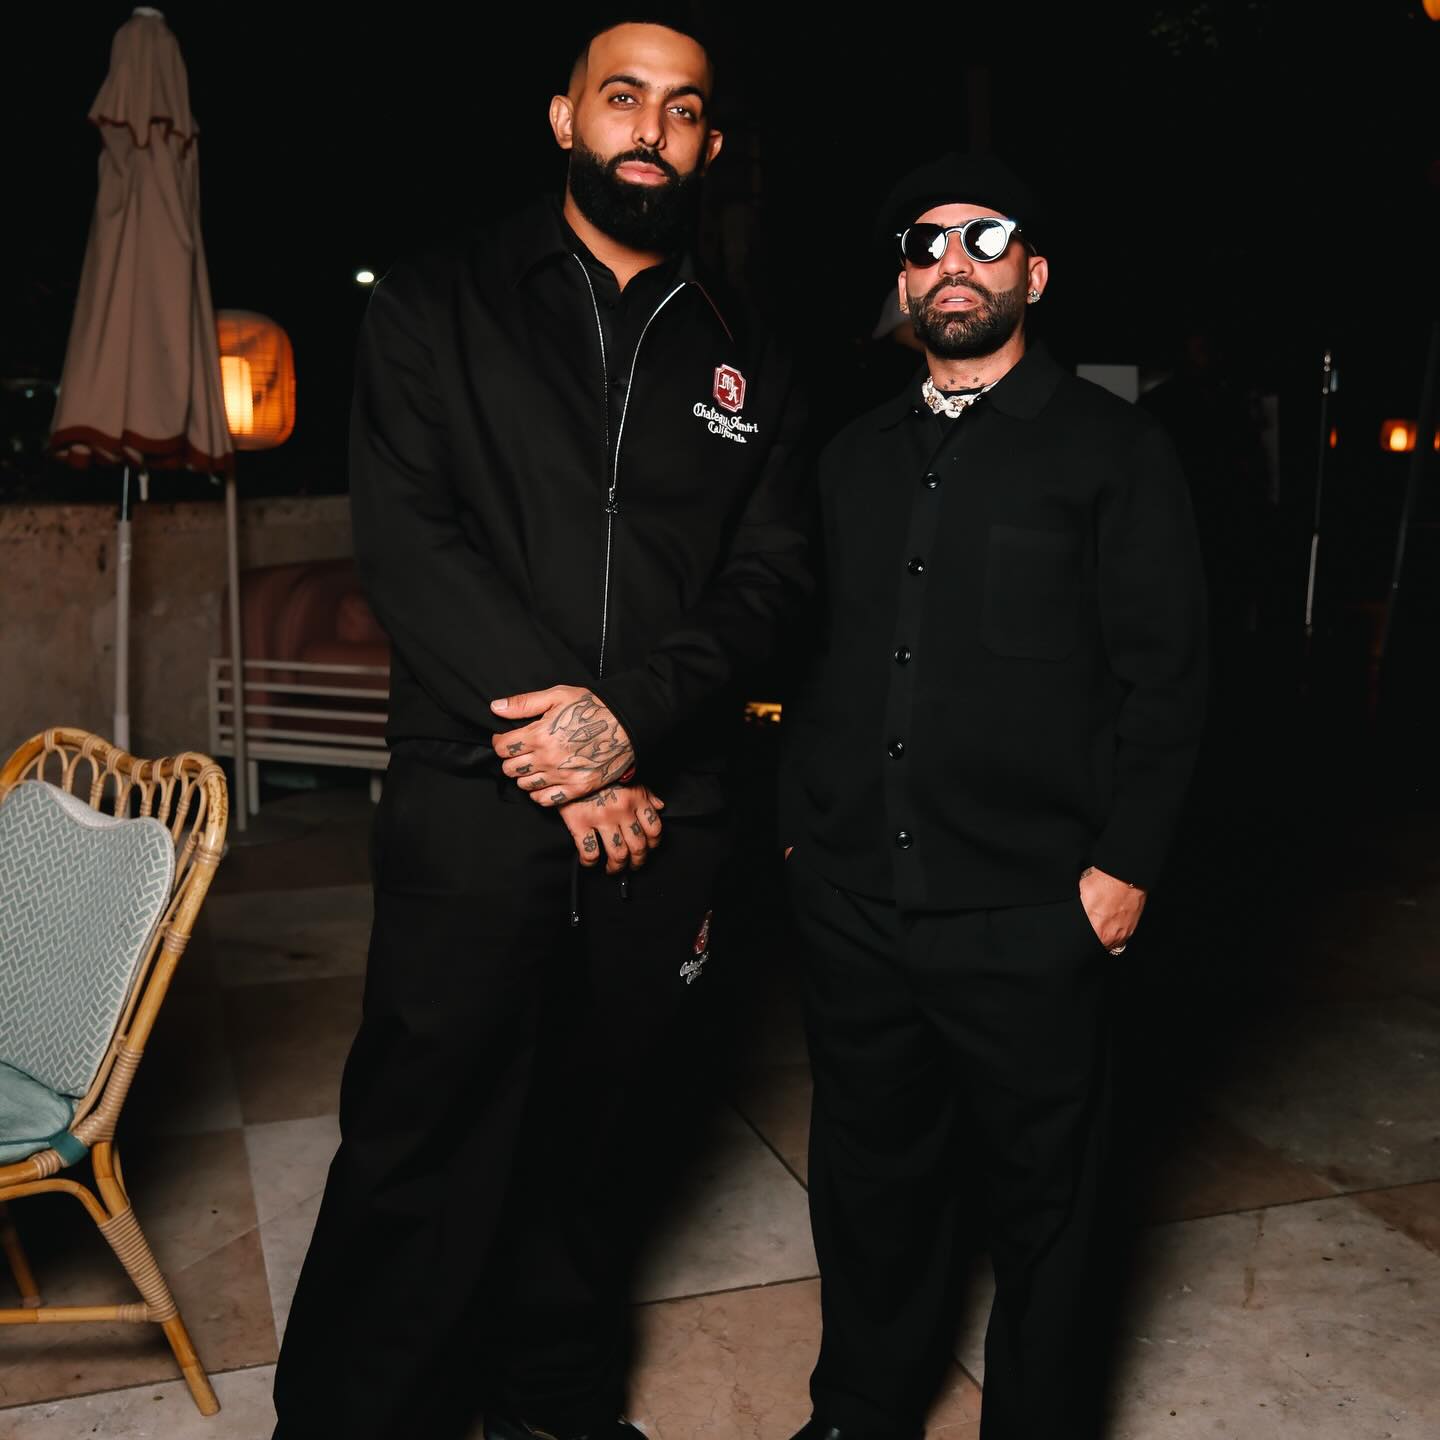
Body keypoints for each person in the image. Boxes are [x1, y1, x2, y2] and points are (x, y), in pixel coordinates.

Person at [271, 18, 809, 1440]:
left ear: (708, 142)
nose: (651, 128)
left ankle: (555, 1404)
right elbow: (413, 545)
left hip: (665, 811)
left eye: (682, 109)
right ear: (565, 115)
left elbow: (773, 580)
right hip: (474, 793)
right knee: (421, 1133)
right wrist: (574, 758)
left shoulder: (750, 345)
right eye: (622, 96)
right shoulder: (436, 301)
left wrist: (630, 724)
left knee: (599, 1138)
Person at [778, 153, 1207, 1440]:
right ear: (903, 284)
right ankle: (859, 1409)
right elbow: (815, 659)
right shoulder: (851, 458)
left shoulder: (1116, 450)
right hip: (857, 902)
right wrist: (802, 836)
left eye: (985, 238)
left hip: (1034, 906)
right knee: (869, 1183)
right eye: (925, 244)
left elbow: (1170, 676)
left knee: (1049, 1204)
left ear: (1036, 272)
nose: (951, 263)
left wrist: (1125, 868)